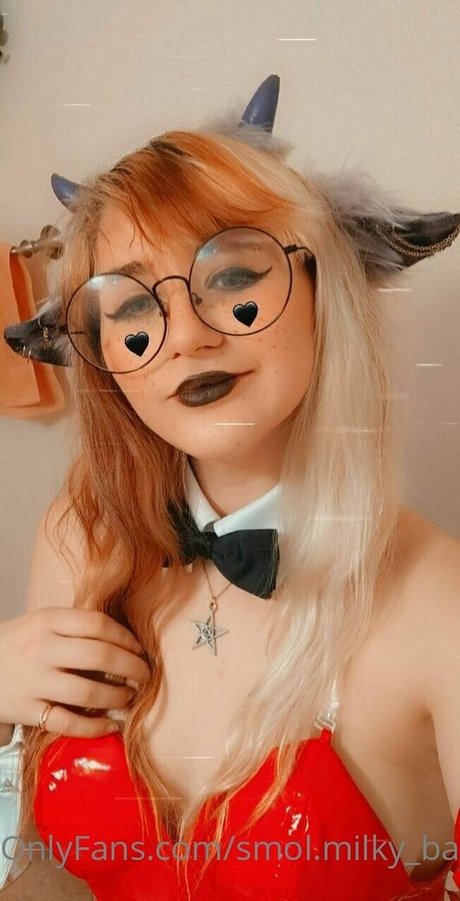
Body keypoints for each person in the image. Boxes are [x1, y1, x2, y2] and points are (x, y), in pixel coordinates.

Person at [1, 75, 459, 900]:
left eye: (233, 277)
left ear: (324, 287)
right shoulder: (77, 534)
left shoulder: (439, 602)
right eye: (131, 308)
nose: (185, 335)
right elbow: (19, 850)